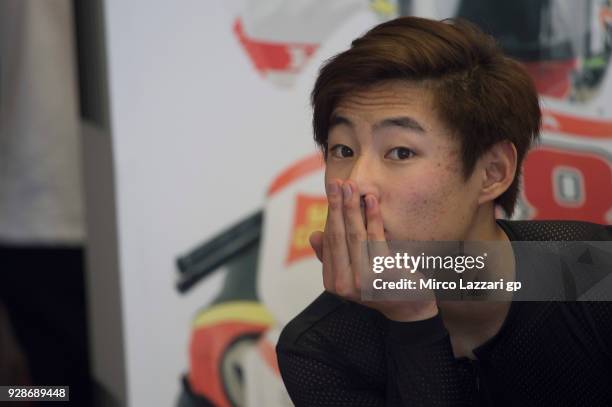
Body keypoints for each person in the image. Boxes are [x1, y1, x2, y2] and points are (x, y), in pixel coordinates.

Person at [275, 16, 612, 406]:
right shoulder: (321, 347)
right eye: (343, 150)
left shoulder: (595, 273)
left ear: (492, 172)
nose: (357, 181)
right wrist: (413, 319)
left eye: (401, 152)